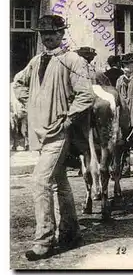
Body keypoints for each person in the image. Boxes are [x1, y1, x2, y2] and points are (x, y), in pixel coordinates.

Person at [13, 15, 94, 260]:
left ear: (62, 34)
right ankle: (71, 233)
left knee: (40, 181)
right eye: (43, 33)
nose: (48, 37)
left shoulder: (73, 60)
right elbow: (18, 83)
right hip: (41, 132)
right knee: (59, 183)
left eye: (53, 32)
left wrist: (68, 119)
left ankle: (44, 241)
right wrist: (33, 103)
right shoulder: (36, 60)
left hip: (59, 133)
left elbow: (86, 95)